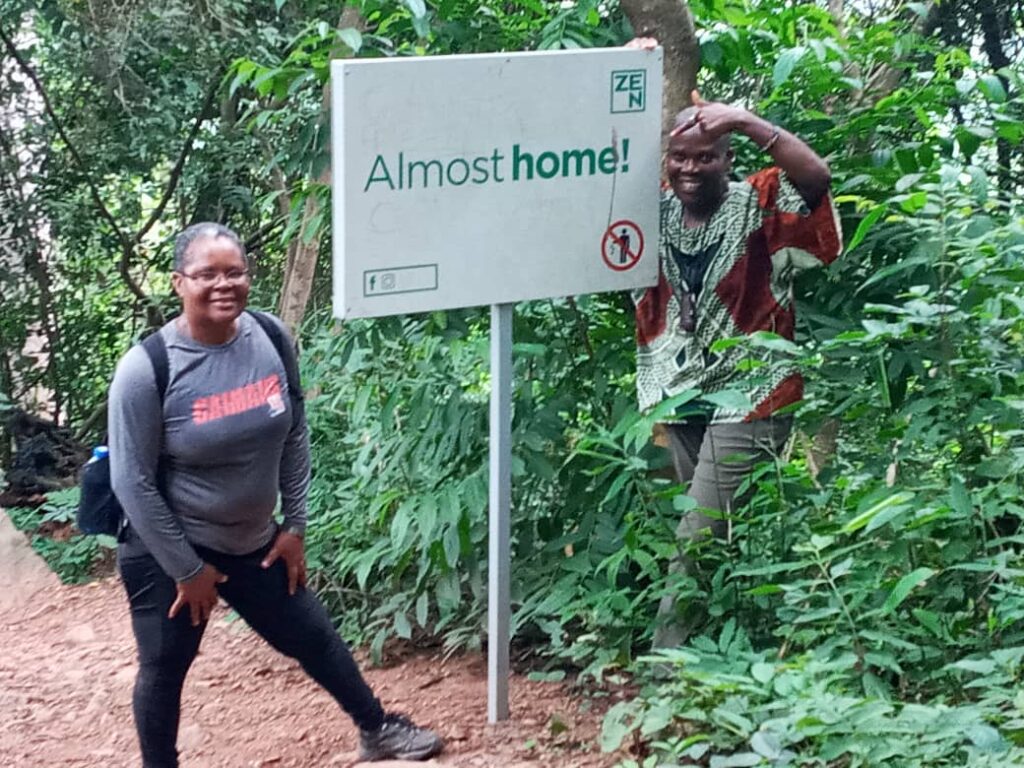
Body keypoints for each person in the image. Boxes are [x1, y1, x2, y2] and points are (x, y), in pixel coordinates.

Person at [108, 222, 444, 766]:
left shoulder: (269, 337)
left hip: (253, 540)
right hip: (168, 548)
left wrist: (295, 526)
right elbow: (132, 482)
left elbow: (294, 429)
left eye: (235, 271)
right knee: (166, 665)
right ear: (178, 283)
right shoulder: (147, 370)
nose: (224, 284)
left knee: (312, 634)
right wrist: (187, 570)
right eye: (207, 274)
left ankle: (377, 729)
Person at [628, 43, 842, 648]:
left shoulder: (762, 201)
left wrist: (747, 120)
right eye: (679, 158)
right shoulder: (651, 212)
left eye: (707, 157)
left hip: (753, 394)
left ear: (728, 159)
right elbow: (591, 172)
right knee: (717, 536)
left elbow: (817, 179)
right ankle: (738, 653)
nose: (691, 169)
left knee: (698, 534)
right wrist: (618, 78)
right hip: (675, 391)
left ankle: (667, 671)